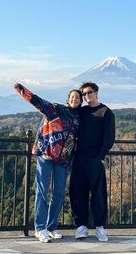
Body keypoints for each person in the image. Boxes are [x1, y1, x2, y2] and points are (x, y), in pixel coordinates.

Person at [14, 83, 83, 243]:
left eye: (77, 98)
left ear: (80, 101)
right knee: (42, 191)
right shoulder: (57, 110)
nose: (75, 99)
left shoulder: (80, 118)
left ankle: (51, 227)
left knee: (59, 194)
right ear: (68, 99)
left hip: (64, 159)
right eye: (72, 97)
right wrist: (22, 90)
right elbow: (38, 102)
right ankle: (40, 228)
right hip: (46, 154)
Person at [69, 81, 115, 242]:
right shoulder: (80, 112)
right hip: (79, 159)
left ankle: (100, 227)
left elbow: (109, 138)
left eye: (89, 92)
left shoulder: (105, 112)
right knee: (77, 192)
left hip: (95, 160)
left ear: (96, 92)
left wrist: (100, 157)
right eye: (84, 94)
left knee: (98, 194)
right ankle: (81, 226)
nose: (86, 96)